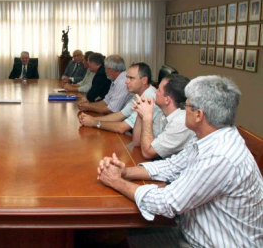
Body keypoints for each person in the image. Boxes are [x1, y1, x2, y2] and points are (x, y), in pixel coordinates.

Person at [97, 76, 263, 247]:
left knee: (129, 232)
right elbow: (172, 166)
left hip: (207, 243)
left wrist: (116, 181)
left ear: (199, 115)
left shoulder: (220, 156)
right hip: (192, 229)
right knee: (133, 231)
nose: (184, 109)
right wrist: (124, 172)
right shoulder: (208, 137)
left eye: (188, 106)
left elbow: (167, 203)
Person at [79, 63, 161, 134]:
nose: (126, 81)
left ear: (144, 80)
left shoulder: (149, 98)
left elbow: (122, 127)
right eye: (127, 77)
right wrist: (91, 119)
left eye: (131, 78)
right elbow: (120, 115)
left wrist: (94, 122)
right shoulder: (138, 94)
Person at [131, 74, 195, 159]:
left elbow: (147, 153)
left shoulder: (180, 122)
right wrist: (140, 113)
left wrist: (147, 117)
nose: (155, 91)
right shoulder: (163, 113)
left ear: (167, 100)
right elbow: (137, 142)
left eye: (159, 90)